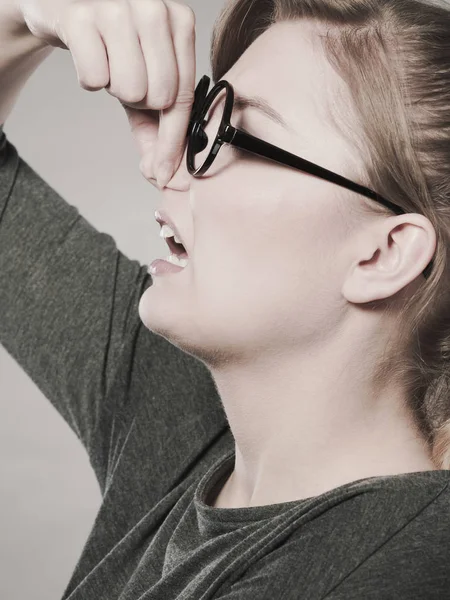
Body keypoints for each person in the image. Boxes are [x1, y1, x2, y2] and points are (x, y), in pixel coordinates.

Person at [1, 0, 450, 598]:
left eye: (243, 135)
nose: (171, 170)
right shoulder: (176, 407)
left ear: (382, 255)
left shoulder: (395, 573)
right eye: (203, 124)